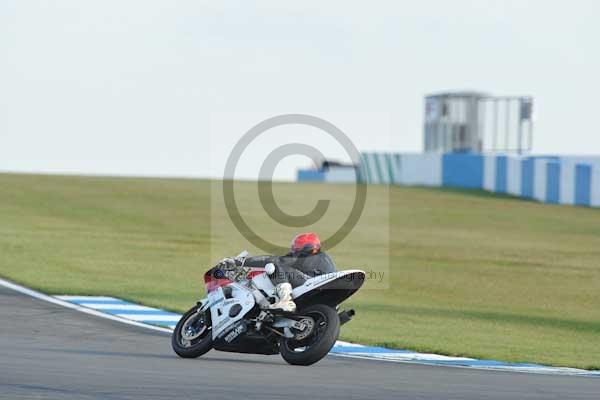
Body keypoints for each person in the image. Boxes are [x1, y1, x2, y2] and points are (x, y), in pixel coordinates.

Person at [226, 232, 336, 312]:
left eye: (297, 247)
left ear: (305, 247)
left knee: (274, 266)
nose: (294, 250)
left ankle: (286, 300)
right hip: (323, 295)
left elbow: (272, 260)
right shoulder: (324, 258)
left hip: (311, 283)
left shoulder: (305, 257)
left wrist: (240, 262)